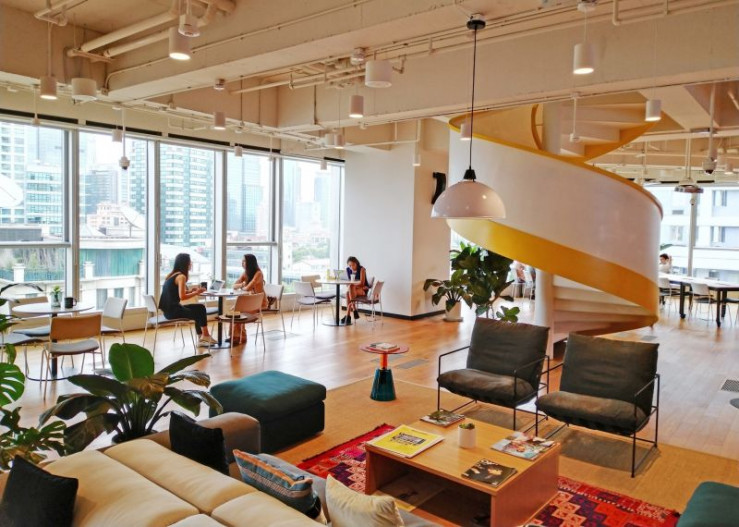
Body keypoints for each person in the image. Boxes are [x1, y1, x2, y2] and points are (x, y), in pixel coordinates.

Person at [159, 253, 215, 347]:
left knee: (200, 307)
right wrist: (196, 293)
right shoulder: (182, 277)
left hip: (169, 311)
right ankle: (205, 336)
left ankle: (202, 338)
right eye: (190, 262)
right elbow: (182, 297)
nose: (191, 264)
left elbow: (178, 293)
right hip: (174, 312)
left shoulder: (172, 275)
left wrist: (191, 291)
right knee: (199, 313)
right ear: (185, 264)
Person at [342, 256, 370, 325]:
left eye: (353, 265)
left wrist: (354, 286)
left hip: (362, 290)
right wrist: (352, 286)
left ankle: (349, 315)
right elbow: (348, 282)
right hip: (353, 290)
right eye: (349, 265)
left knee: (349, 290)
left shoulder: (362, 269)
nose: (351, 267)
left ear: (356, 263)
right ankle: (353, 310)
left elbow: (362, 283)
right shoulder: (348, 270)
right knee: (348, 292)